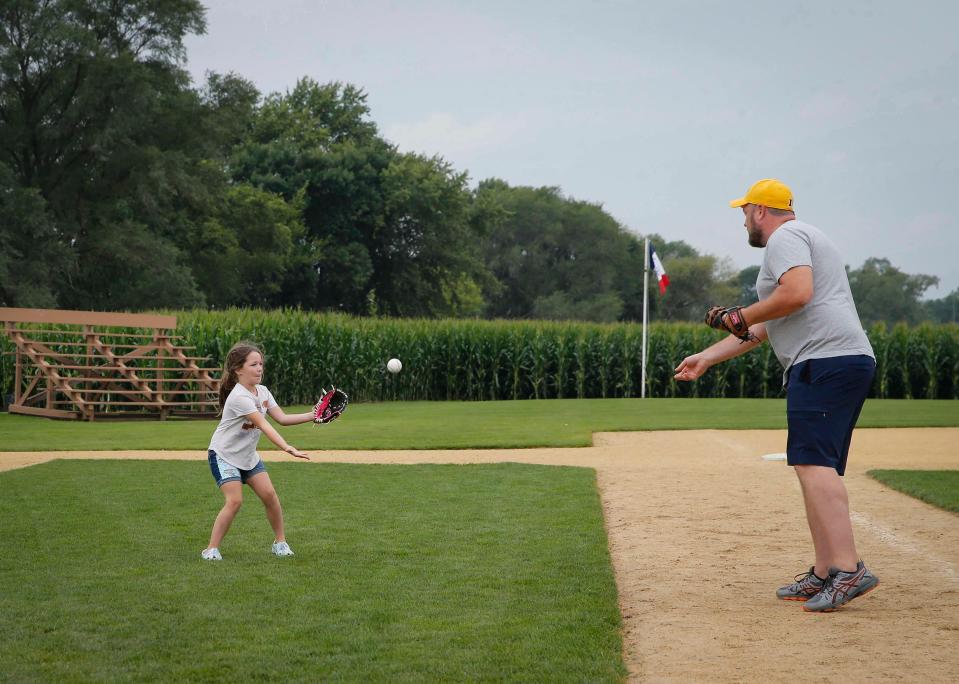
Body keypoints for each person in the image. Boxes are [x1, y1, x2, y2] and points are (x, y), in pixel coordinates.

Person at [674, 179, 879, 612]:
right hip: (829, 361)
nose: (743, 220)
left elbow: (797, 294)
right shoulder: (799, 240)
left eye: (744, 211)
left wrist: (738, 313)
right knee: (811, 464)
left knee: (814, 463)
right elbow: (768, 325)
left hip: (827, 360)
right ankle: (825, 570)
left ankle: (848, 569)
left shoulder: (785, 237)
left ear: (760, 211)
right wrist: (709, 357)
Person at [201, 341, 314, 561]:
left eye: (261, 364)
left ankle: (280, 543)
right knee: (235, 501)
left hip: (248, 457)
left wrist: (313, 415)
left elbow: (281, 418)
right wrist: (287, 447)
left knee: (270, 496)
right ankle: (211, 549)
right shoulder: (239, 397)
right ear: (238, 369)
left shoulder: (262, 391)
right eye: (254, 364)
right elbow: (264, 425)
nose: (259, 368)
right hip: (224, 455)